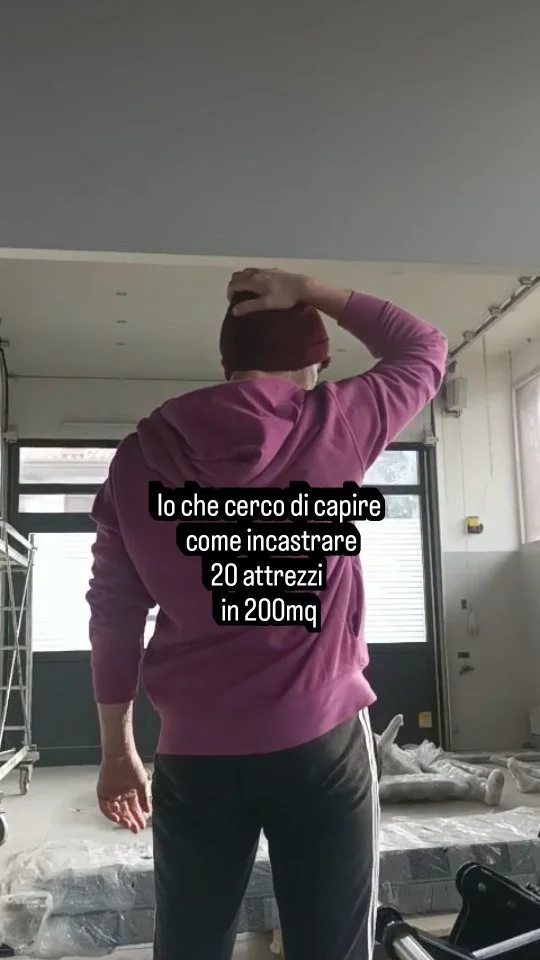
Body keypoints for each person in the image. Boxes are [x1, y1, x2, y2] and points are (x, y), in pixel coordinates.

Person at [87, 267, 447, 960]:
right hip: (321, 739)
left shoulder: (138, 459)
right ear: (312, 362)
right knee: (331, 947)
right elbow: (424, 346)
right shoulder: (336, 423)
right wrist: (309, 290)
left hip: (196, 750)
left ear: (227, 365)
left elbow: (115, 610)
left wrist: (116, 751)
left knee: (189, 945)